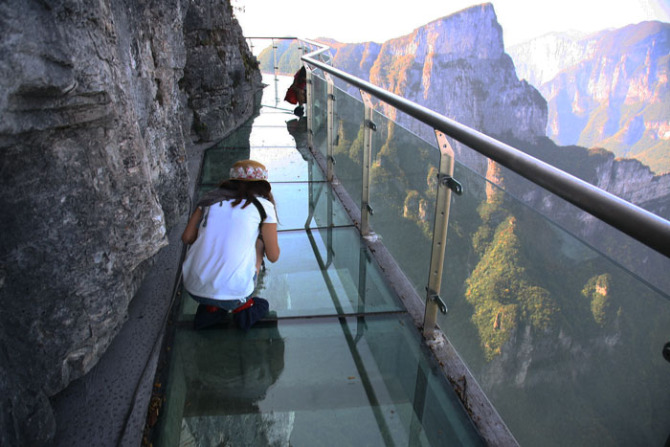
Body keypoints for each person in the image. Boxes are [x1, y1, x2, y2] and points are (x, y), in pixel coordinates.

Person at [181, 159, 280, 330]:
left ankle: (212, 309)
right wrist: (259, 240)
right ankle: (243, 308)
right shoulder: (264, 206)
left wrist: (212, 234)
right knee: (259, 242)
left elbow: (187, 237)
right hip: (236, 293)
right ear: (262, 185)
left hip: (193, 287)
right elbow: (273, 256)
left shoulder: (209, 199)